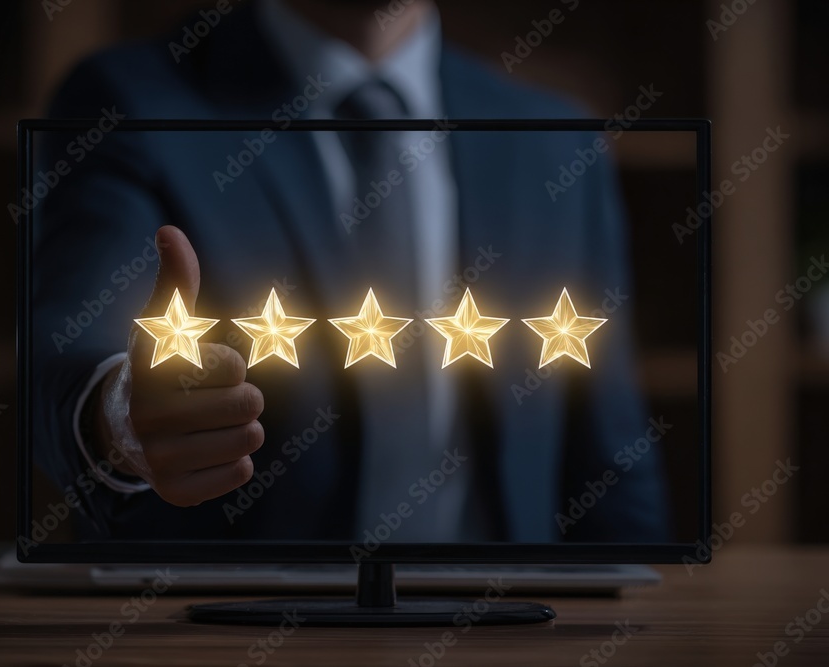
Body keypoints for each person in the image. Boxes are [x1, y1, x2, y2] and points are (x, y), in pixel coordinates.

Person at [32, 0, 669, 543]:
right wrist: (125, 419)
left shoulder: (554, 140)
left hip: (503, 624)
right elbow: (69, 352)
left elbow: (610, 457)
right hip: (225, 624)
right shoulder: (128, 102)